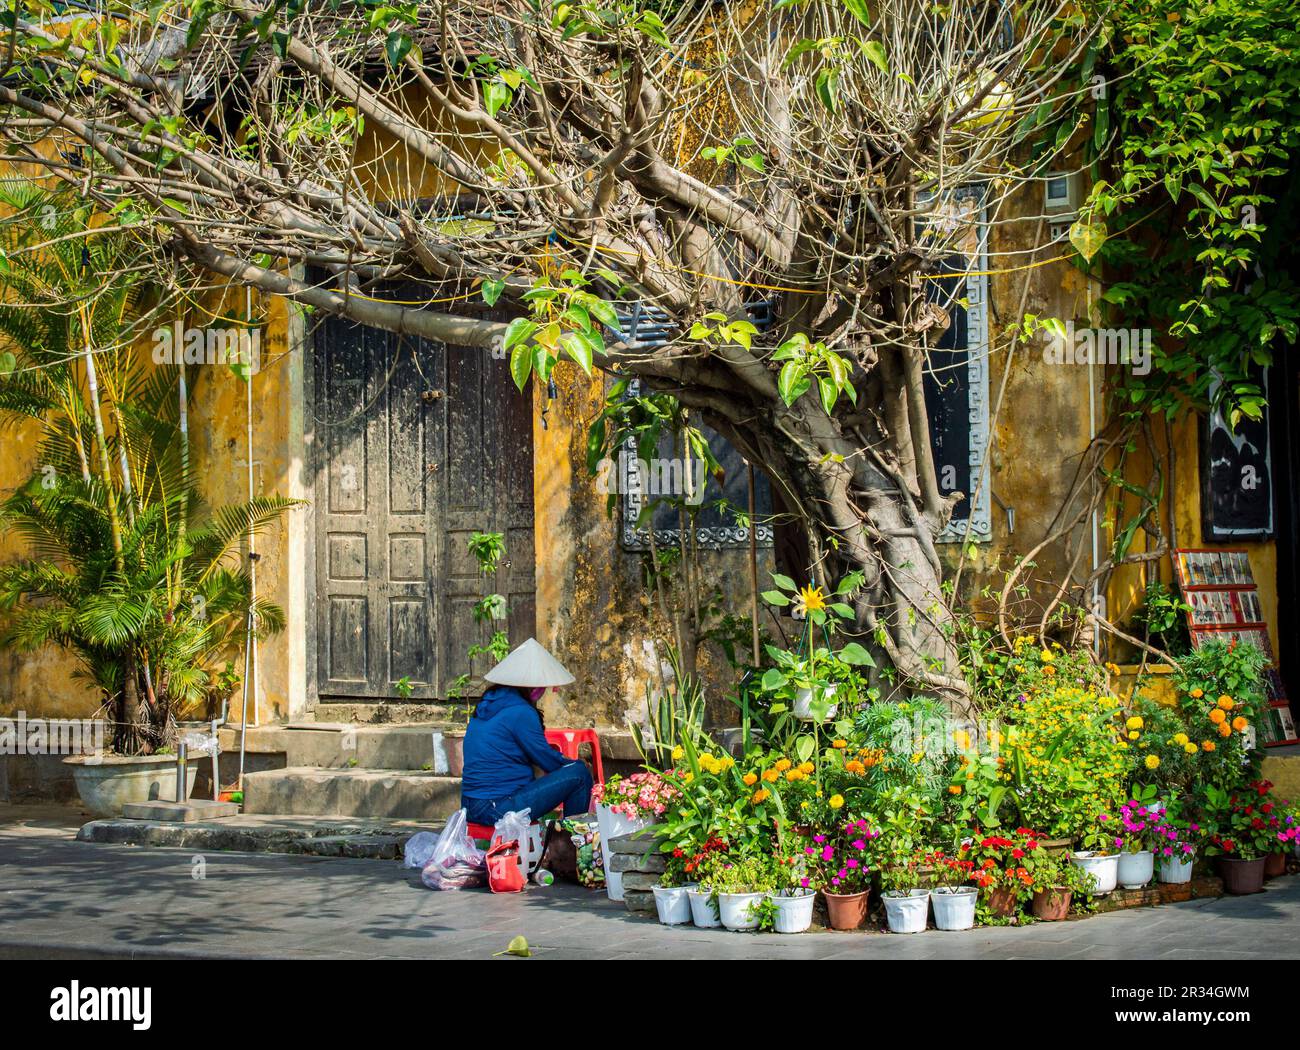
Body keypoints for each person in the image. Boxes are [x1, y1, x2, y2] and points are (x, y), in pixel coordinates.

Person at [460, 637, 592, 826]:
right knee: (579, 774)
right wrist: (574, 764)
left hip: (471, 806)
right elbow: (547, 760)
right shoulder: (521, 712)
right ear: (535, 688)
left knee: (574, 771)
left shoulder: (489, 702)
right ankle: (570, 843)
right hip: (495, 808)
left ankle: (562, 840)